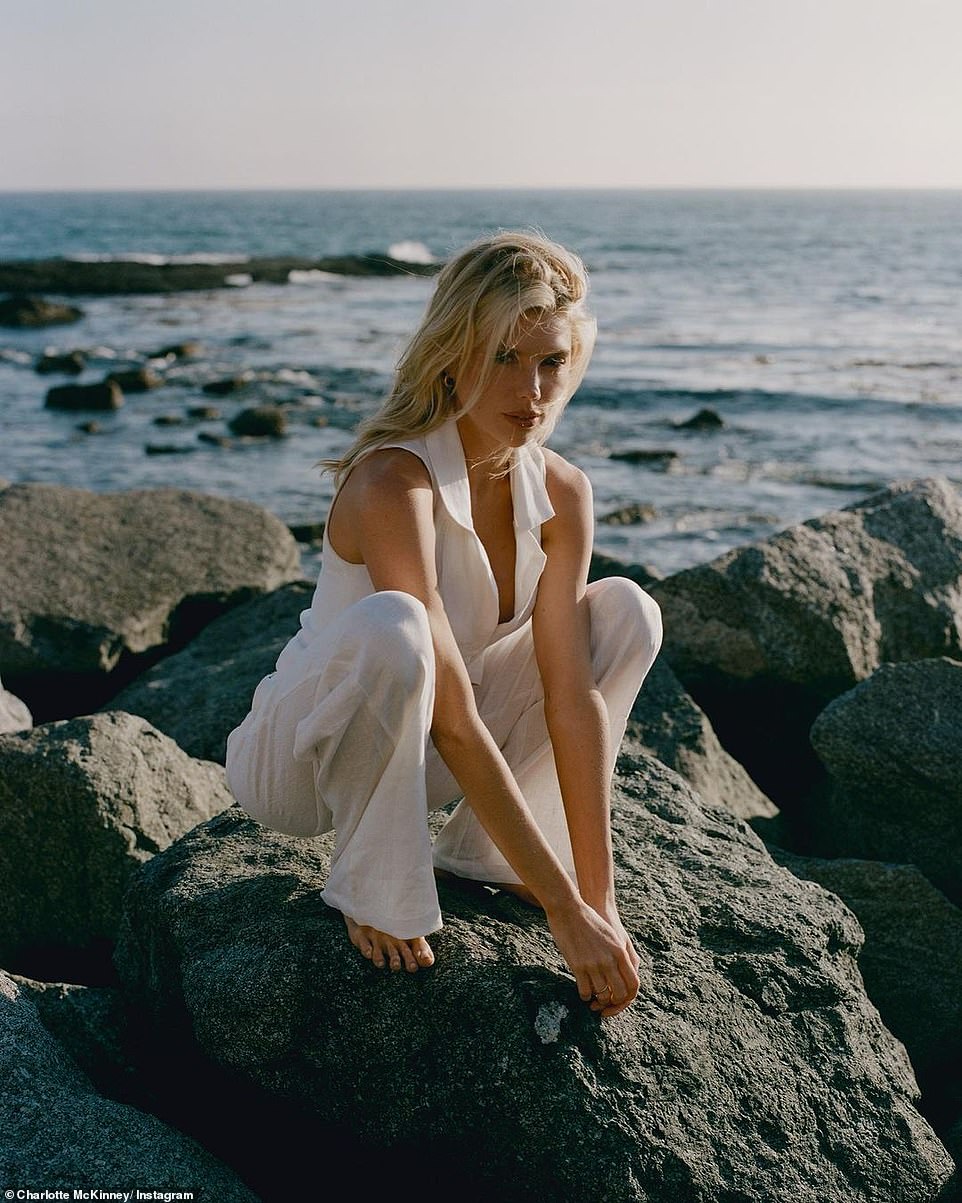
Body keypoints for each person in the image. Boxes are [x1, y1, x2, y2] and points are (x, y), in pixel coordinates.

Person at [225, 231, 662, 1019]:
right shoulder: (394, 481)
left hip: (420, 749)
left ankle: (486, 851)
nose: (531, 389)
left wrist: (598, 902)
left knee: (627, 611)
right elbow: (455, 715)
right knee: (398, 626)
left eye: (550, 362)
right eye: (504, 357)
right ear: (454, 351)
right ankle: (371, 876)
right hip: (300, 762)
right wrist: (562, 917)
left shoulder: (563, 491)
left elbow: (571, 696)